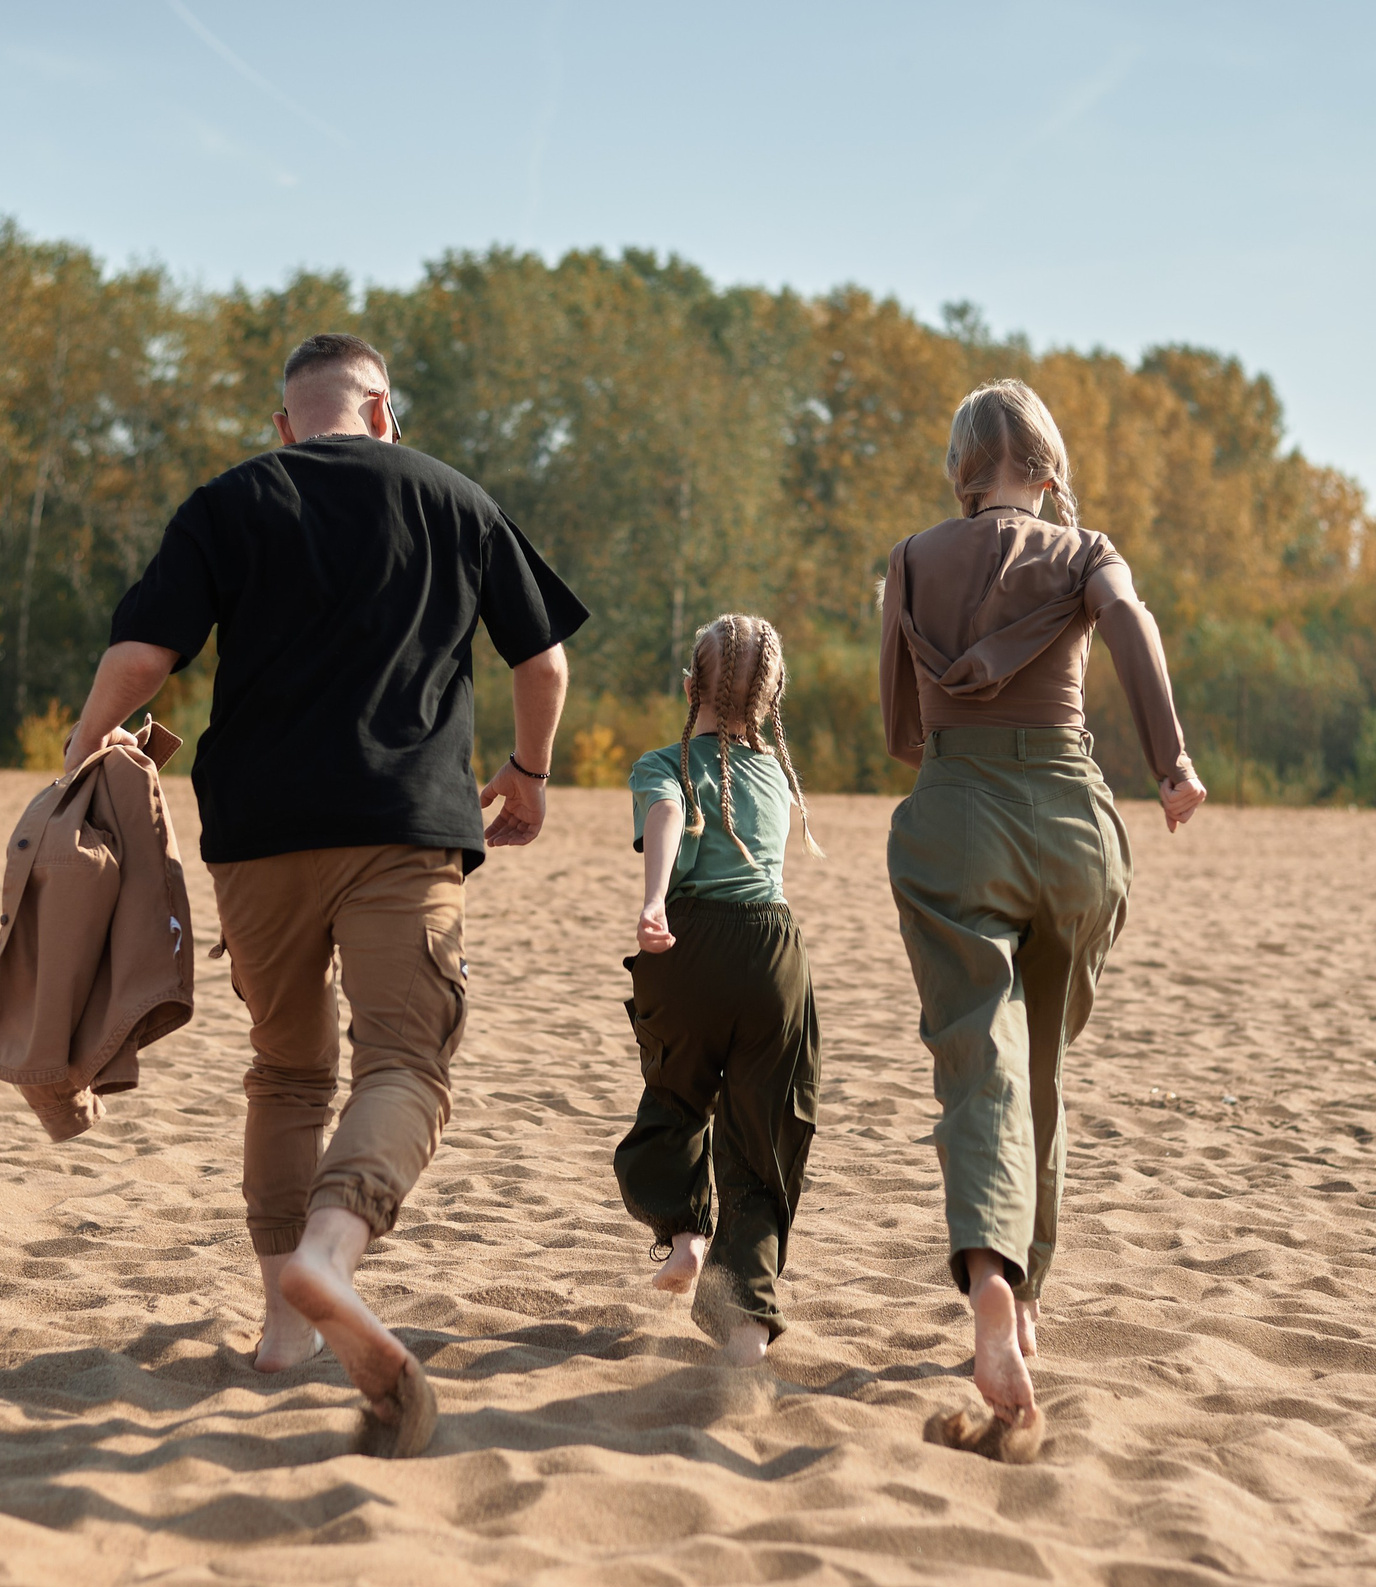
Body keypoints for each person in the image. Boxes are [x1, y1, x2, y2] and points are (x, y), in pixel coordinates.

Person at [63, 332, 587, 1455]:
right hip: (404, 826)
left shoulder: (230, 500)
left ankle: (281, 1330)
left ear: (284, 422)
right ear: (384, 409)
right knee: (406, 1062)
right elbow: (542, 662)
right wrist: (529, 772)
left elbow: (144, 657)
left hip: (256, 836)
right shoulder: (454, 497)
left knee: (288, 1068)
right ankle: (329, 1255)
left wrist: (78, 751)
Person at [879, 378, 1206, 1451]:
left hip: (955, 818)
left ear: (961, 470)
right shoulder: (1084, 551)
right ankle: (1026, 1301)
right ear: (1048, 467)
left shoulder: (912, 560)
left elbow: (899, 732)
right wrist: (1171, 764)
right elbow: (1129, 624)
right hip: (1070, 825)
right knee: (1043, 1071)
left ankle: (989, 1279)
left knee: (980, 1058)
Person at [617, 613, 823, 1367]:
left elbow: (670, 811)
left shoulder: (661, 763)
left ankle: (686, 1233)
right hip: (774, 956)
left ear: (689, 688)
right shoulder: (776, 773)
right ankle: (747, 1330)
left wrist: (655, 898)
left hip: (691, 944)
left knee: (676, 1094)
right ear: (772, 700)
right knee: (763, 1139)